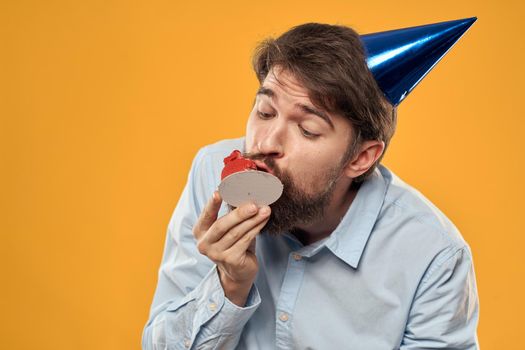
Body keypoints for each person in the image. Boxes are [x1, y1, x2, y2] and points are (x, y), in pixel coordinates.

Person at [142, 22, 479, 349]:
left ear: (361, 157)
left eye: (307, 129)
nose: (267, 142)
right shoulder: (213, 174)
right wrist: (229, 284)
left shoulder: (434, 255)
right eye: (264, 111)